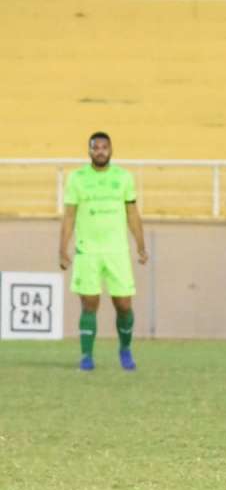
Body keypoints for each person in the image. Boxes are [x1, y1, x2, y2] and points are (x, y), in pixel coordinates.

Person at [58, 131, 148, 371]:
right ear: (89, 151)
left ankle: (125, 350)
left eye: (104, 147)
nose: (100, 151)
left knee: (124, 305)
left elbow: (132, 213)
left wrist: (140, 244)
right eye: (95, 147)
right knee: (89, 303)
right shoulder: (76, 178)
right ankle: (86, 356)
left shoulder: (124, 178)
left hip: (117, 251)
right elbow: (69, 215)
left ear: (111, 150)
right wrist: (62, 248)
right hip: (87, 251)